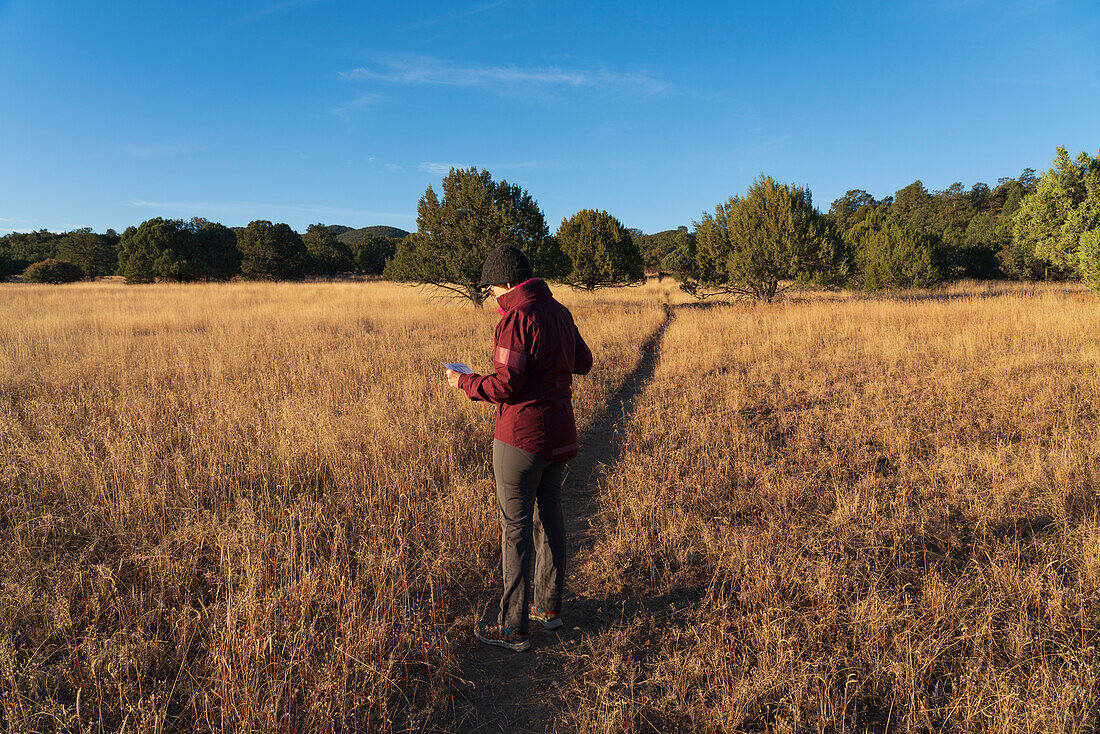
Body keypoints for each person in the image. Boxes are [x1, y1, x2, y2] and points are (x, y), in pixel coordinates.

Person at [445, 244, 592, 652]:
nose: (491, 295)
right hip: (560, 435)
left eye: (492, 288)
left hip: (521, 439)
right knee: (551, 518)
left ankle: (511, 627)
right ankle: (548, 609)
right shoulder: (561, 312)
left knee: (515, 529)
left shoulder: (516, 317)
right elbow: (584, 362)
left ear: (507, 283)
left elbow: (506, 383)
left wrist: (467, 382)